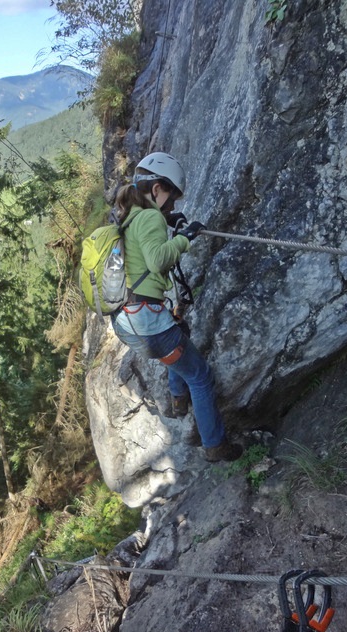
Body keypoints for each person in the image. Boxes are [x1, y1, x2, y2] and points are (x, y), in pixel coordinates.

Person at [110, 152, 243, 463]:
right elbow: (158, 259)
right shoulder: (151, 216)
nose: (171, 207)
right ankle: (215, 445)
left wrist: (170, 223)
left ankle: (178, 401)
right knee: (200, 376)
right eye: (170, 200)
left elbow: (144, 252)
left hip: (126, 323)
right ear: (157, 189)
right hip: (147, 323)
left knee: (176, 337)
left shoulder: (127, 217)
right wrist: (185, 237)